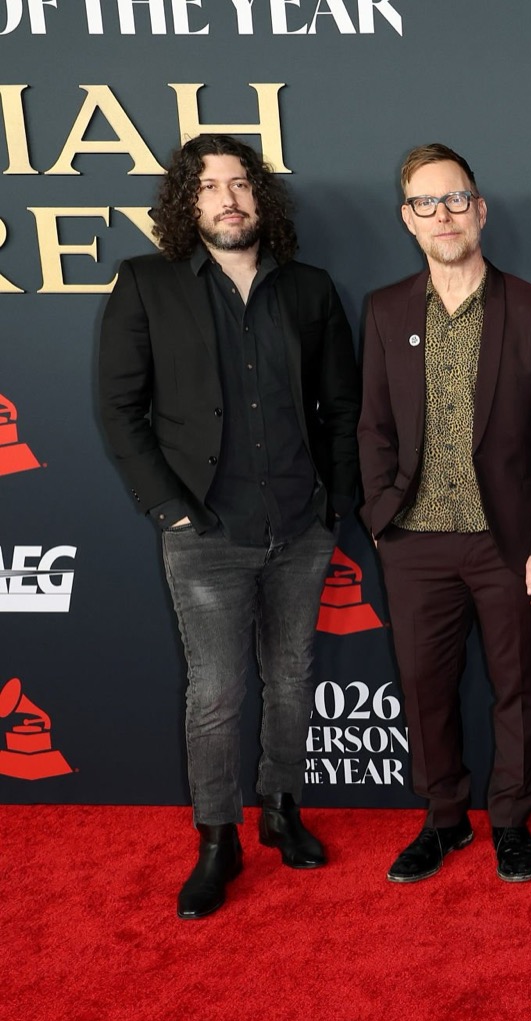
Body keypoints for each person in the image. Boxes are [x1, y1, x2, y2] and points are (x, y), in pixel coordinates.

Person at [97, 134, 359, 919]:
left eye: (240, 183)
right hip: (205, 529)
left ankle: (280, 807)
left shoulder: (309, 289)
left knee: (292, 677)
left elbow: (343, 406)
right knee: (214, 693)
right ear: (189, 201)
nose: (228, 198)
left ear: (260, 195)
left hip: (301, 525)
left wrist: (336, 502)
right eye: (210, 186)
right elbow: (120, 409)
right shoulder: (146, 284)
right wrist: (170, 507)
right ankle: (218, 837)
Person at [358, 144, 531, 884]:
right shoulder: (385, 310)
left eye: (455, 199)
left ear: (480, 210)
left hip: (507, 542)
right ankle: (444, 819)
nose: (443, 215)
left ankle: (510, 820)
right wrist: (380, 518)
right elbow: (372, 426)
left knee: (518, 689)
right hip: (413, 541)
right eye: (426, 203)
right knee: (425, 691)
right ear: (408, 219)